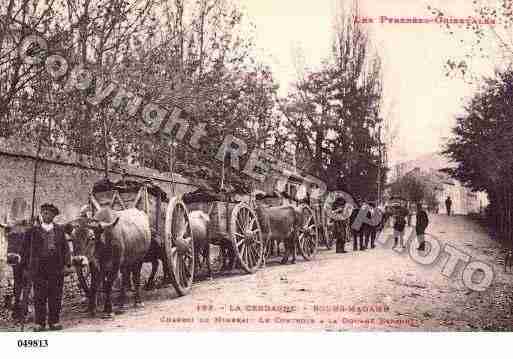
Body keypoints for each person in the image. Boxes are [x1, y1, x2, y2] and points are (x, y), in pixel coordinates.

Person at [28, 203, 71, 332]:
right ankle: (39, 323)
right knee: (39, 296)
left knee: (55, 295)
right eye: (44, 212)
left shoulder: (59, 230)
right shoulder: (33, 231)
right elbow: (26, 249)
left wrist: (67, 264)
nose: (46, 215)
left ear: (54, 215)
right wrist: (27, 266)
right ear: (41, 214)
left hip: (56, 268)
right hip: (39, 268)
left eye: (49, 213)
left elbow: (65, 249)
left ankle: (54, 321)